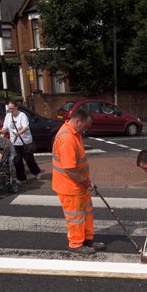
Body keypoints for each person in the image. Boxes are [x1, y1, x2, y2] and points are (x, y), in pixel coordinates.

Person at [52, 108, 105, 254]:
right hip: (69, 186)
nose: (86, 130)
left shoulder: (75, 133)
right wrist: (85, 182)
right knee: (76, 217)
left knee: (86, 213)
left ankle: (87, 239)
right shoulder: (67, 138)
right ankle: (76, 244)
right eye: (85, 126)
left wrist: (84, 182)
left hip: (79, 184)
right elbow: (69, 168)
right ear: (77, 121)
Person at [1, 100, 41, 183]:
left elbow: (25, 127)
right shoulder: (8, 116)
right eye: (9, 109)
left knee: (29, 160)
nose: (11, 110)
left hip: (25, 141)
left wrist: (18, 133)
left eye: (12, 108)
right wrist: (2, 131)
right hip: (14, 142)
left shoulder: (22, 115)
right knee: (17, 161)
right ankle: (21, 178)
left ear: (16, 107)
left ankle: (36, 172)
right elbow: (5, 127)